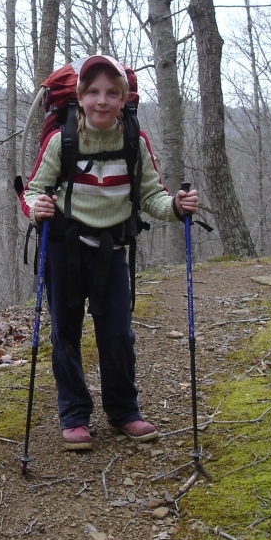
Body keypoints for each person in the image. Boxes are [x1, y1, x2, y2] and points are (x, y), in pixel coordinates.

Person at [20, 55, 199, 451]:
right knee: (65, 333)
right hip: (65, 248)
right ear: (81, 97)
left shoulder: (133, 139)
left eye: (112, 93)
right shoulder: (61, 139)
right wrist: (37, 209)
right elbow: (34, 189)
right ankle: (74, 416)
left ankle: (124, 412)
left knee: (117, 335)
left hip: (113, 250)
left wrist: (176, 207)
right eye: (94, 92)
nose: (103, 101)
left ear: (124, 99)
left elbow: (151, 195)